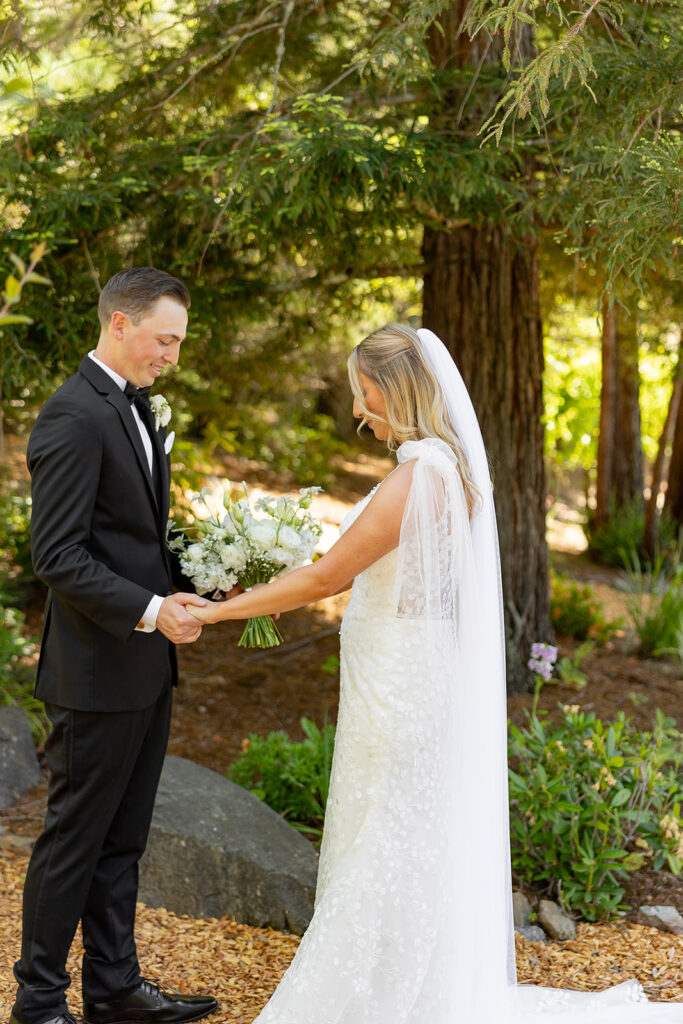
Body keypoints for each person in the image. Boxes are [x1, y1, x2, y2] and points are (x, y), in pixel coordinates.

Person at [190, 323, 680, 1023]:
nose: (359, 411)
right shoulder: (444, 468)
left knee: (381, 834)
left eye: (366, 394)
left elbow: (327, 575)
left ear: (398, 391)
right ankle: (407, 988)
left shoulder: (416, 477)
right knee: (394, 830)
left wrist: (216, 613)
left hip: (396, 679)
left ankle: (362, 997)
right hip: (403, 672)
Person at [11, 268, 216, 1024]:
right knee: (74, 841)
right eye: (165, 340)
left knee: (122, 841)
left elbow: (134, 539)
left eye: (179, 343)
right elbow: (58, 557)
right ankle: (37, 1003)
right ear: (120, 325)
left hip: (144, 669)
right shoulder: (73, 415)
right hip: (95, 672)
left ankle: (113, 989)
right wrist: (152, 610)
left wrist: (220, 577)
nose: (172, 356)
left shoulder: (134, 409)